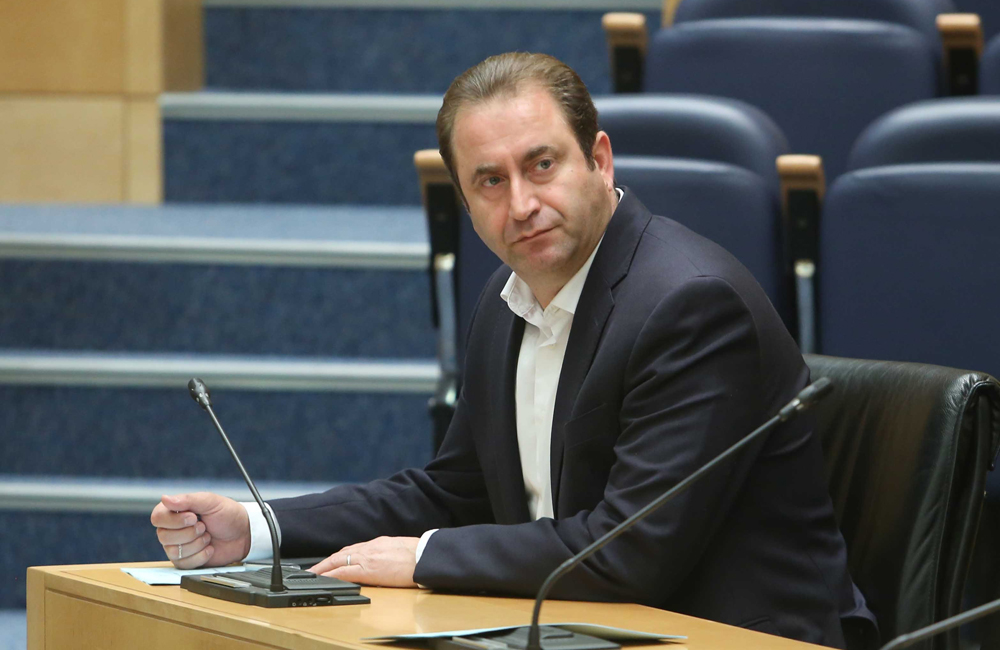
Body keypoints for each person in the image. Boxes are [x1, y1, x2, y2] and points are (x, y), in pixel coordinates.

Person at [151, 52, 875, 648]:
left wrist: (425, 557)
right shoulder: (507, 300)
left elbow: (631, 550)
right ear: (465, 205)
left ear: (599, 160)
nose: (521, 205)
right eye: (491, 182)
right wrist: (260, 528)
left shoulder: (689, 305)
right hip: (584, 628)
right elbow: (455, 492)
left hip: (733, 635)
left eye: (542, 165)